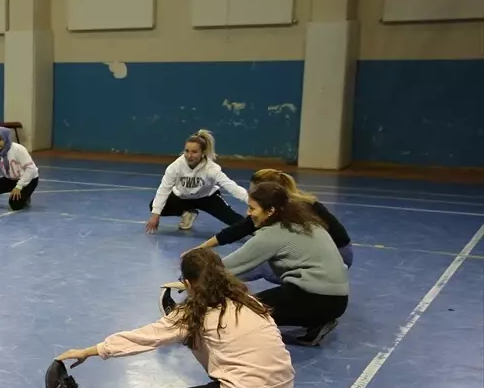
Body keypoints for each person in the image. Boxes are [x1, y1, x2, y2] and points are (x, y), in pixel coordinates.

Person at [46, 249, 299, 388]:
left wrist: (90, 351)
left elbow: (143, 338)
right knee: (210, 387)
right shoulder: (249, 300)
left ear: (187, 283)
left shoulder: (193, 316)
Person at [220, 181, 349, 346]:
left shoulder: (272, 234)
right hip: (338, 301)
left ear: (271, 210)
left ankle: (316, 319)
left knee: (239, 311)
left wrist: (187, 279)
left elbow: (226, 266)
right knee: (264, 301)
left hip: (316, 298)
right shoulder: (306, 222)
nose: (248, 213)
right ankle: (317, 323)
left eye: (252, 208)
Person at [193, 168, 353, 282]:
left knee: (262, 265)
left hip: (337, 256)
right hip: (327, 258)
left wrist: (206, 272)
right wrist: (201, 248)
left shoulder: (299, 208)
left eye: (255, 190)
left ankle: (209, 285)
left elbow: (247, 252)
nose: (250, 195)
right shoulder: (280, 207)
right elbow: (237, 230)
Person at [146, 129, 248, 233]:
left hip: (207, 198)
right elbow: (163, 189)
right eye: (187, 151)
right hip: (183, 198)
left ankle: (256, 229)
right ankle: (187, 213)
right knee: (154, 206)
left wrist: (250, 200)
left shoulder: (211, 168)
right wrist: (155, 215)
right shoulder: (175, 167)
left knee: (233, 220)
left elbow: (231, 186)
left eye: (194, 152)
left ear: (203, 153)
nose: (189, 156)